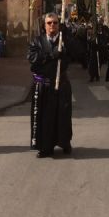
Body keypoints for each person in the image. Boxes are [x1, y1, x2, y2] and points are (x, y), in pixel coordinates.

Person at [27, 12, 73, 158]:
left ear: (59, 25)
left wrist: (67, 45)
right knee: (45, 117)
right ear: (44, 25)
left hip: (61, 84)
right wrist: (52, 55)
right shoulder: (37, 41)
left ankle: (64, 142)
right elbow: (33, 58)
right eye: (49, 23)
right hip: (45, 86)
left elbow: (78, 53)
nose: (52, 25)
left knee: (63, 115)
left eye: (55, 23)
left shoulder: (63, 40)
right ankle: (46, 147)